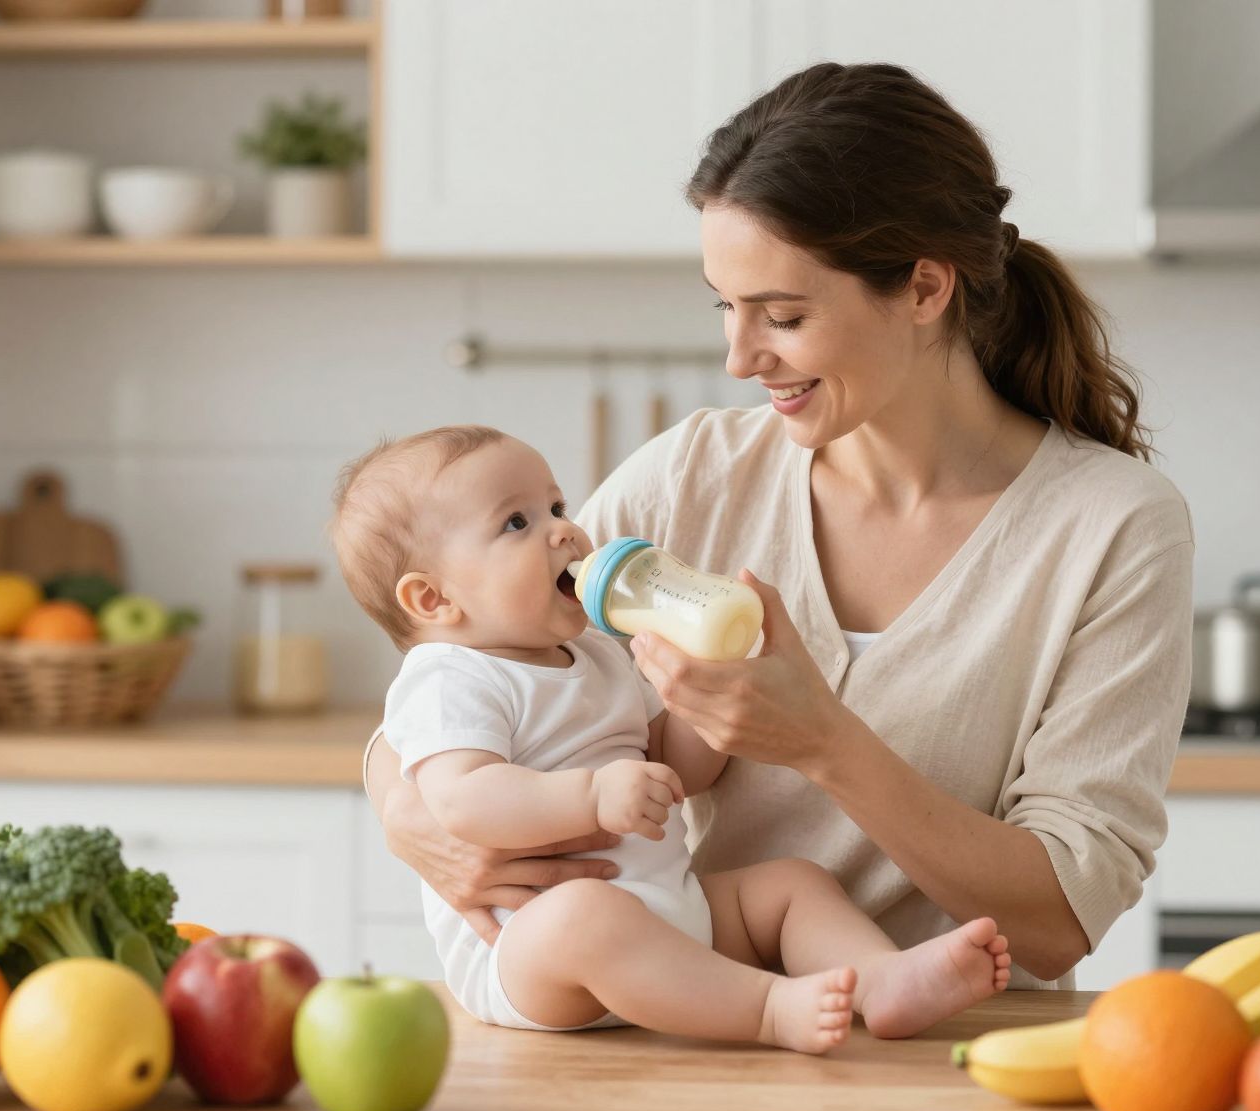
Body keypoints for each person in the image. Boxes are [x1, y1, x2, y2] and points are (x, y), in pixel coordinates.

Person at [363, 61, 1193, 989]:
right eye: (727, 306)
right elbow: (465, 666)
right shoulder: (694, 478)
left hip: (963, 1067)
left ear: (925, 289)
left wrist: (823, 743)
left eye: (784, 315)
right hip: (706, 1036)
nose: (739, 356)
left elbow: (1059, 921)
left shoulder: (1110, 528)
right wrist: (403, 810)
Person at [330, 425, 1012, 1052]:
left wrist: (704, 694)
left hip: (668, 913)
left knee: (789, 887)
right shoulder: (450, 678)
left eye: (557, 506)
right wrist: (593, 795)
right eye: (517, 522)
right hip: (534, 950)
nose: (565, 533)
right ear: (432, 600)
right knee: (584, 918)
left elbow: (676, 770)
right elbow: (464, 802)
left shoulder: (595, 652)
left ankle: (879, 979)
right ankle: (771, 1009)